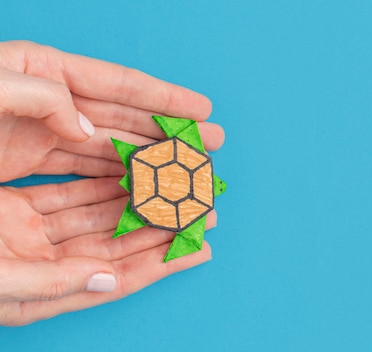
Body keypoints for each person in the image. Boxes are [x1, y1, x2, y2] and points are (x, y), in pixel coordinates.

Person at [0, 40, 225, 326]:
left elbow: (184, 134)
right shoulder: (192, 218)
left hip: (152, 180)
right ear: (213, 183)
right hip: (151, 191)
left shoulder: (189, 153)